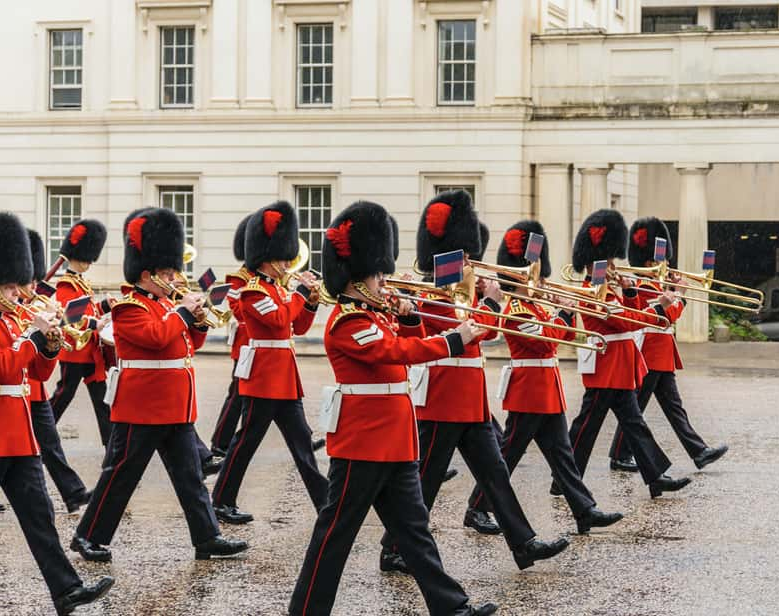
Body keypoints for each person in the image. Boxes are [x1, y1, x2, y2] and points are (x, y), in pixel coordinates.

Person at [290, 200, 497, 616]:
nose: (384, 280)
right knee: (335, 533)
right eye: (378, 273)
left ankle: (450, 606)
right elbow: (398, 353)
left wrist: (406, 315)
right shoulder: (349, 322)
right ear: (358, 276)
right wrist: (454, 340)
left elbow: (406, 338)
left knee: (415, 532)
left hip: (395, 442)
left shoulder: (374, 315)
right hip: (363, 444)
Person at [380, 190, 568, 574]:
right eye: (464, 254)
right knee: (425, 480)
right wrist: (492, 304)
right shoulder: (431, 294)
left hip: (470, 401)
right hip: (444, 398)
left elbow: (484, 334)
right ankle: (393, 547)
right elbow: (463, 332)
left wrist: (485, 301)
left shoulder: (462, 292)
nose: (469, 261)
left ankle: (523, 543)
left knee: (496, 473)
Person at [70, 208, 247, 563]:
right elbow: (155, 338)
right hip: (142, 406)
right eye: (168, 272)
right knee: (120, 475)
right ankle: (88, 537)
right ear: (148, 273)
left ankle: (207, 537)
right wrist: (181, 313)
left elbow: (186, 346)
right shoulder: (129, 307)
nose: (174, 277)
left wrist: (197, 322)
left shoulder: (166, 305)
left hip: (174, 406)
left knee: (191, 477)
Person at [0, 212, 113, 615]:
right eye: (12, 285)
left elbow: (37, 372)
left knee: (40, 517)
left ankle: (66, 590)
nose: (19, 292)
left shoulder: (11, 321)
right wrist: (32, 339)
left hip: (18, 435)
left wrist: (50, 343)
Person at [463, 220, 622, 536]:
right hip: (529, 393)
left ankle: (584, 510)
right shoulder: (518, 309)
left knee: (562, 457)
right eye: (529, 271)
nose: (536, 276)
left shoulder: (534, 305)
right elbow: (546, 341)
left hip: (546, 391)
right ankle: (477, 507)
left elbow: (558, 334)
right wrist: (563, 313)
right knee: (506, 456)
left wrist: (562, 312)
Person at [212, 201, 327, 525]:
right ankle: (221, 500)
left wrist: (311, 303)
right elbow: (278, 321)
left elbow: (297, 327)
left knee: (302, 443)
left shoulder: (278, 288)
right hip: (263, 378)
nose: (287, 263)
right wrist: (300, 295)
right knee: (245, 441)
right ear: (267, 257)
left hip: (284, 377)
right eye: (282, 257)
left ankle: (324, 502)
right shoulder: (252, 292)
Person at [563, 209, 691, 499]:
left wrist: (631, 293)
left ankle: (656, 476)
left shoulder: (607, 289)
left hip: (619, 366)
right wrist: (659, 306)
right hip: (605, 366)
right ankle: (564, 478)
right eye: (608, 260)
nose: (612, 266)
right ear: (596, 261)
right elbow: (624, 322)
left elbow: (627, 316)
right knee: (585, 428)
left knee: (634, 424)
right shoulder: (594, 290)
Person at [608, 217, 728, 473]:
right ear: (650, 261)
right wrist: (681, 296)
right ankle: (619, 454)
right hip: (650, 350)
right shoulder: (643, 284)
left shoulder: (655, 283)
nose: (666, 263)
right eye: (661, 259)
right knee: (635, 409)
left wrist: (674, 290)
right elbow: (666, 316)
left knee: (674, 408)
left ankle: (698, 451)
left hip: (661, 352)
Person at [25, 229, 90, 513]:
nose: (31, 286)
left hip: (33, 388)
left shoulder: (32, 302)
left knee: (50, 442)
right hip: (7, 389)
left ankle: (73, 493)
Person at [49, 218, 112, 445]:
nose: (89, 263)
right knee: (63, 396)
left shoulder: (82, 283)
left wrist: (106, 305)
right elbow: (70, 316)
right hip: (75, 352)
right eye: (86, 258)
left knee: (103, 400)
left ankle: (111, 444)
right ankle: (41, 431)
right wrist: (95, 324)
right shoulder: (67, 284)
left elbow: (89, 309)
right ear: (78, 256)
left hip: (90, 350)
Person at [209, 216, 251, 458]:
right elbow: (238, 308)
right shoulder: (238, 280)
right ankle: (220, 443)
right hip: (246, 344)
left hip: (269, 347)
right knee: (237, 394)